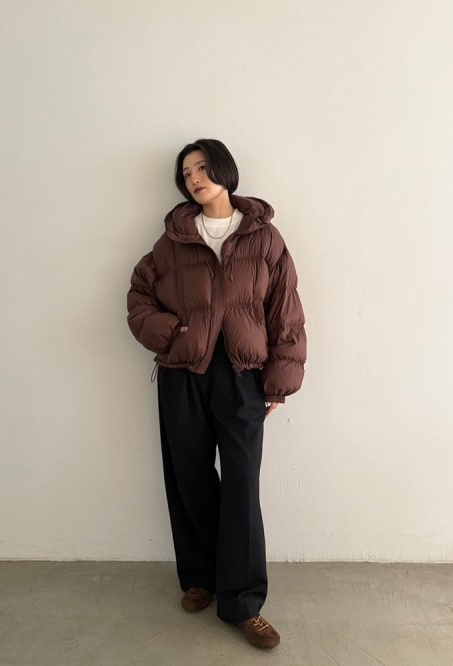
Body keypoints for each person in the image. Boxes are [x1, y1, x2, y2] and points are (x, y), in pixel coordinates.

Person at [127, 138, 306, 649]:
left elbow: (285, 308)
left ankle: (243, 602)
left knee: (242, 485)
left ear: (225, 170)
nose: (195, 178)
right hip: (183, 373)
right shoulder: (173, 240)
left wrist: (279, 381)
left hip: (242, 375)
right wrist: (173, 333)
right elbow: (139, 296)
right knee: (189, 477)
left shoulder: (264, 237)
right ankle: (200, 576)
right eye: (186, 173)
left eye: (203, 167)